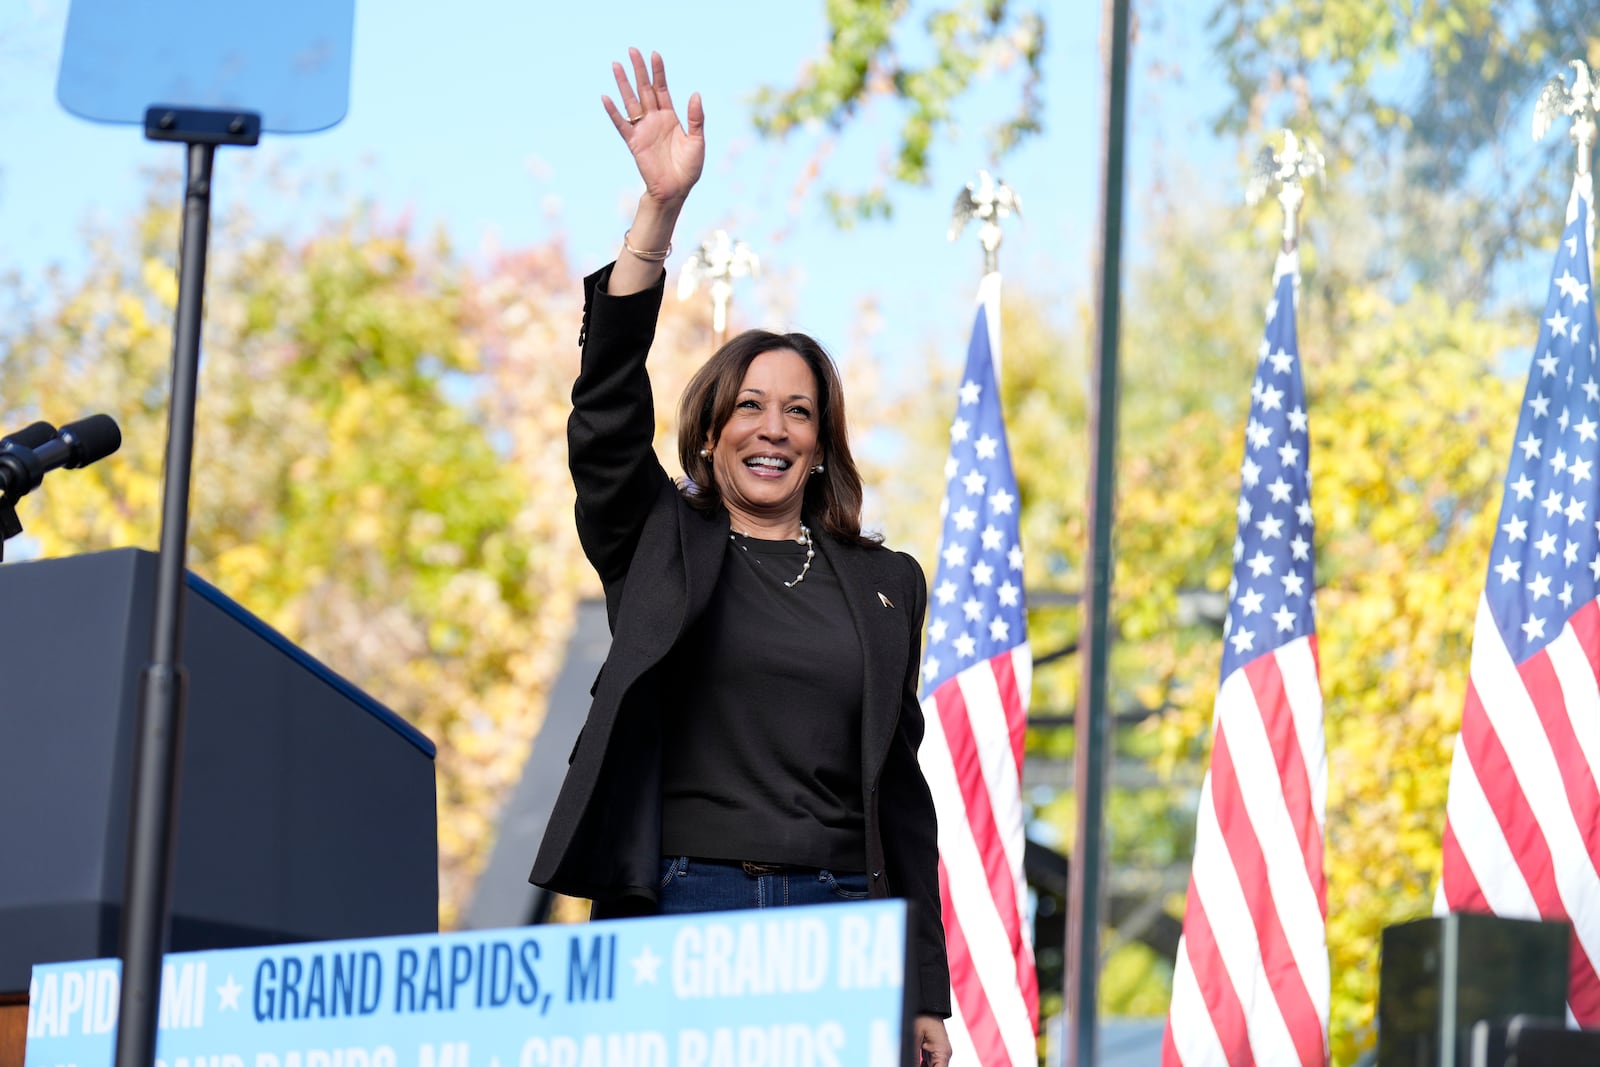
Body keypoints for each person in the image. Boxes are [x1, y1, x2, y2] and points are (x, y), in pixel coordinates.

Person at [528, 49, 953, 1066]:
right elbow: (603, 407)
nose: (774, 427)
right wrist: (657, 215)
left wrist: (922, 988)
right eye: (749, 406)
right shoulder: (656, 536)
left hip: (841, 923)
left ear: (821, 445)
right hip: (684, 908)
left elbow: (901, 793)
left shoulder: (884, 585)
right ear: (711, 432)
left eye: (798, 410)